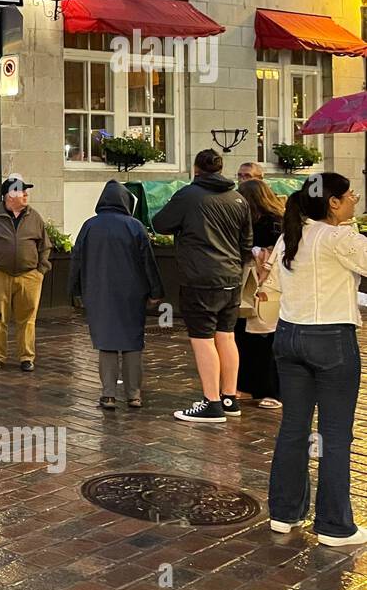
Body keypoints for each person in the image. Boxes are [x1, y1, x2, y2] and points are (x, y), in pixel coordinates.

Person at [261, 173, 367, 547]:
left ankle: (284, 513)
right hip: (331, 340)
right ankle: (334, 525)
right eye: (349, 193)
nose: (355, 196)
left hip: (289, 337)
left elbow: (269, 286)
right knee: (335, 434)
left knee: (293, 428)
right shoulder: (340, 238)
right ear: (333, 202)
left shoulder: (291, 235)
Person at [153, 148, 252, 424]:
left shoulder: (188, 195)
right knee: (227, 336)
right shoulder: (238, 198)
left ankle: (211, 402)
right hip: (230, 278)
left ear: (196, 168)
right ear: (221, 169)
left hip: (200, 279)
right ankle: (229, 398)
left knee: (202, 339)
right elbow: (247, 243)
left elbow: (160, 223)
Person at [70, 181, 164, 409]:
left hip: (98, 292)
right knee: (133, 343)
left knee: (106, 342)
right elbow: (148, 262)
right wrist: (156, 291)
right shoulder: (135, 226)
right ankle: (134, 394)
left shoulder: (89, 226)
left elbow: (77, 260)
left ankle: (109, 394)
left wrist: (74, 291)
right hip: (131, 293)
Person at [0, 175, 51, 371]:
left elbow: (45, 245)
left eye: (26, 191)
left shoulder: (34, 217)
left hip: (29, 275)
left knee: (27, 319)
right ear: (8, 196)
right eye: (20, 190)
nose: (25, 194)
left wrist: (41, 270)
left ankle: (26, 357)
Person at [234, 178, 283, 409]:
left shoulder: (273, 223)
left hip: (265, 285)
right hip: (255, 285)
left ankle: (270, 390)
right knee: (246, 337)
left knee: (264, 338)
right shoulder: (259, 221)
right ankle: (248, 386)